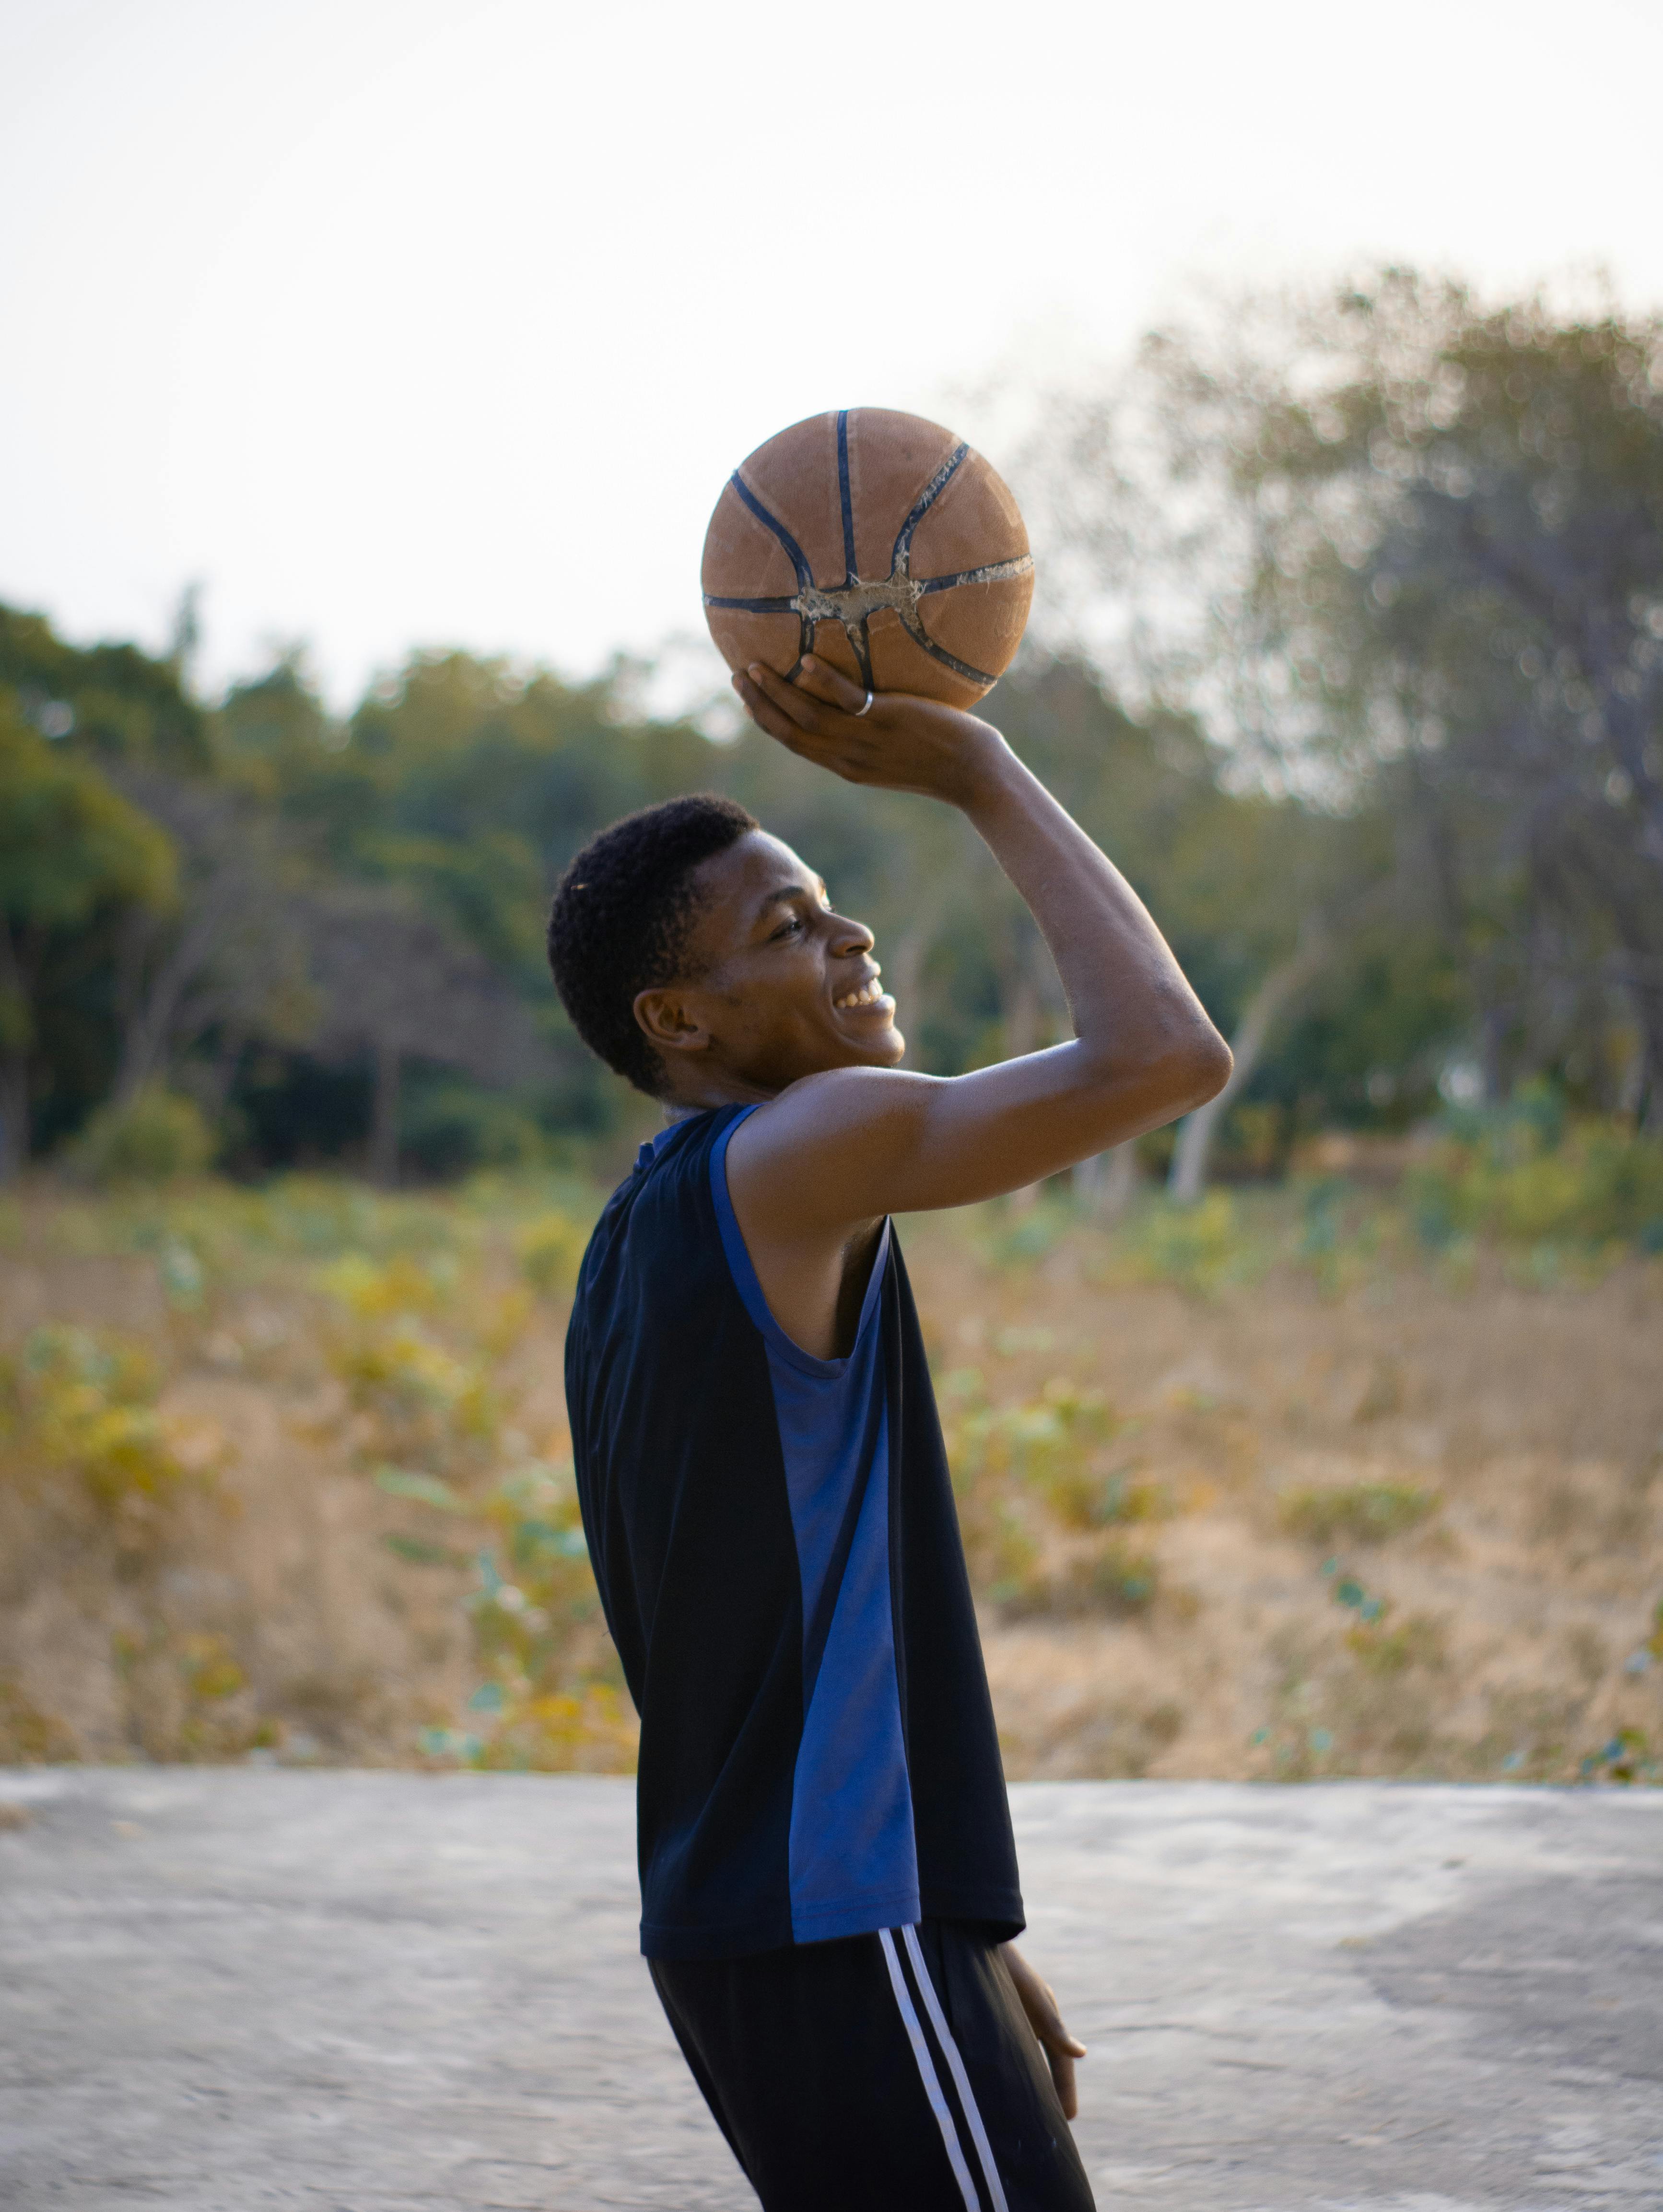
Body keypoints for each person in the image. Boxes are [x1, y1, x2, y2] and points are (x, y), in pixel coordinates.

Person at [548, 657, 1231, 2212]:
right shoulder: (802, 1151)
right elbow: (1165, 1058)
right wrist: (981, 771)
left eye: (828, 900)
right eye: (783, 927)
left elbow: (753, 1638)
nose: (844, 932)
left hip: (787, 1926)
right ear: (681, 1018)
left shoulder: (636, 1230)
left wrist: (962, 1941)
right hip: (832, 1926)